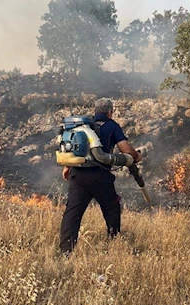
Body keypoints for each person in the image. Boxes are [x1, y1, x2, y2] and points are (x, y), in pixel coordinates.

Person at [59, 98, 141, 255]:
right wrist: (135, 156)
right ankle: (114, 242)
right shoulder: (112, 125)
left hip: (78, 175)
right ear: (110, 112)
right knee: (111, 208)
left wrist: (67, 167)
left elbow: (72, 149)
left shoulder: (82, 125)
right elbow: (125, 149)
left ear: (95, 110)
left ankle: (65, 251)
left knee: (72, 213)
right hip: (100, 176)